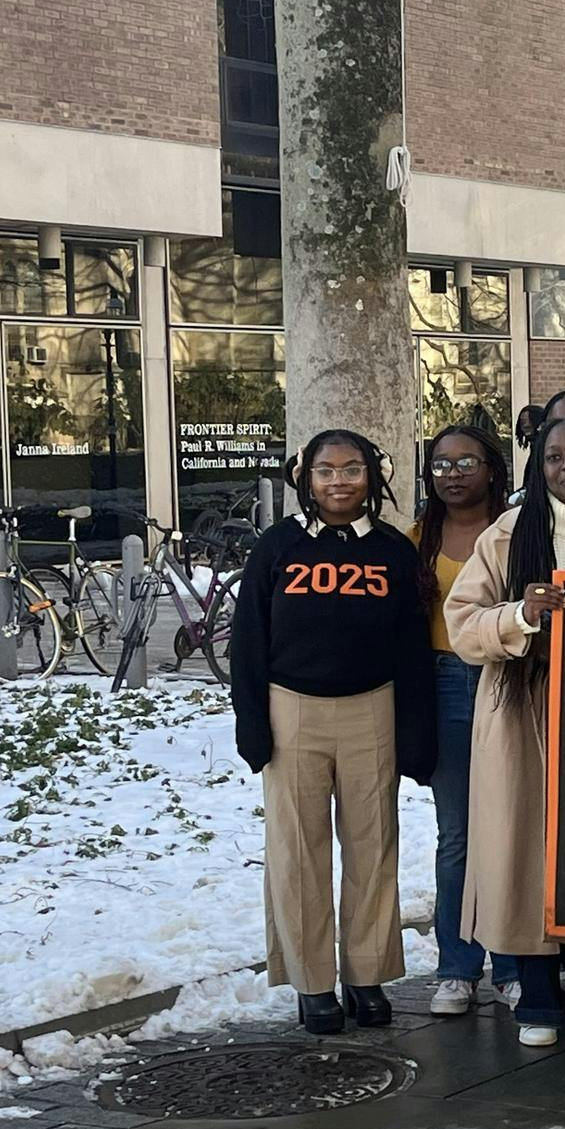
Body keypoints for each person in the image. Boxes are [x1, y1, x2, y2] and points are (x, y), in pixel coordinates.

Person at [230, 429, 436, 1035]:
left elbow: (411, 646)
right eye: (326, 470)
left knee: (373, 847)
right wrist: (252, 723)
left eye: (352, 469)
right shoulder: (277, 547)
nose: (339, 481)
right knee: (299, 850)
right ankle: (313, 982)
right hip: (291, 707)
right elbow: (248, 640)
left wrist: (415, 731)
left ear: (373, 476)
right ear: (305, 477)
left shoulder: (395, 552)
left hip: (372, 706)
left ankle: (366, 974)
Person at [445, 416, 565, 1047]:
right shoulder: (505, 535)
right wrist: (520, 615)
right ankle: (535, 990)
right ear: (539, 468)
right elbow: (462, 623)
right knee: (521, 848)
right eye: (553, 457)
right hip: (518, 706)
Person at [411, 425, 515, 1017]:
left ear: (492, 468)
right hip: (446, 683)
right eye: (441, 464)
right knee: (458, 836)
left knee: (509, 828)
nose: (452, 473)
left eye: (465, 461)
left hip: (505, 678)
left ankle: (514, 963)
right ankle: (457, 967)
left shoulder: (518, 528)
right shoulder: (416, 539)